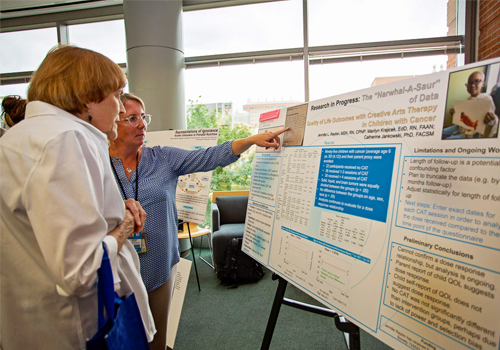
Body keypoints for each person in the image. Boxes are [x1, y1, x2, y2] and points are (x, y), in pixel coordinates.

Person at [0, 46, 154, 349]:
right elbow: (82, 270)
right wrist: (122, 225)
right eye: (115, 95)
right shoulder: (64, 139)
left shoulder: (22, 137)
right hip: (83, 329)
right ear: (88, 97)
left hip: (34, 321)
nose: (120, 110)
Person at [109, 92, 288, 350]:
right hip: (117, 270)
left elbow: (209, 156)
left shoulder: (162, 158)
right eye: (132, 118)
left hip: (158, 267)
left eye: (143, 117)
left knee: (157, 340)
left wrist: (248, 141)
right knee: (120, 338)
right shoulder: (99, 164)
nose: (142, 124)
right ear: (113, 123)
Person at [443, 71, 498, 139]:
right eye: (470, 83)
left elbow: (490, 123)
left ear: (483, 83)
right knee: (442, 132)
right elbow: (462, 116)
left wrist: (490, 121)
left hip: (472, 132)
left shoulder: (487, 99)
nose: (472, 85)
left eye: (477, 81)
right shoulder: (467, 100)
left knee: (448, 139)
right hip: (460, 127)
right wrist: (455, 112)